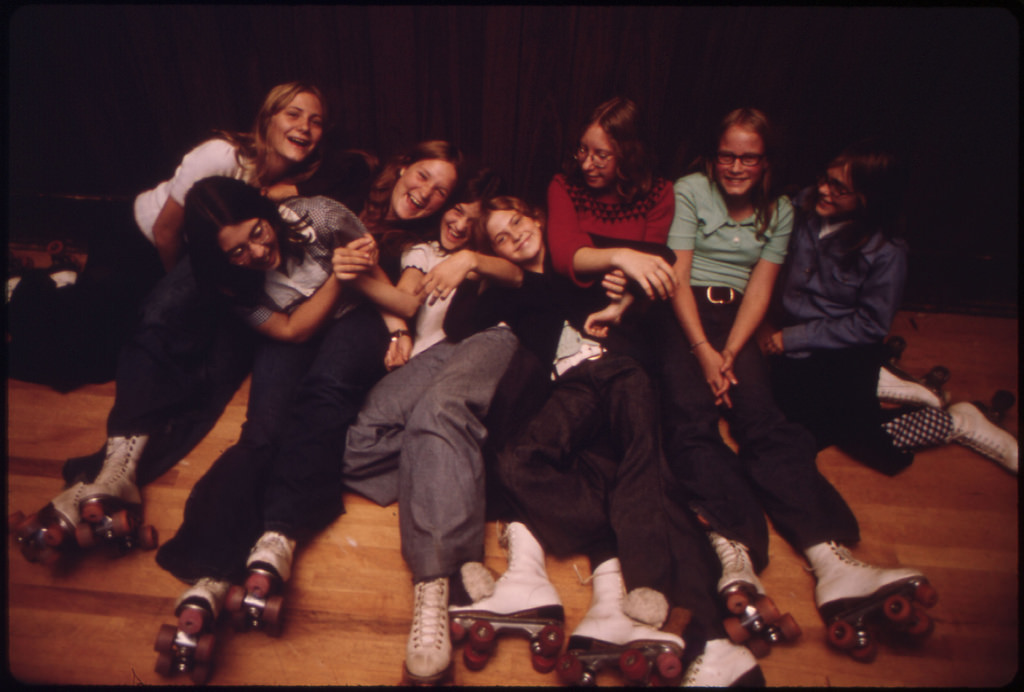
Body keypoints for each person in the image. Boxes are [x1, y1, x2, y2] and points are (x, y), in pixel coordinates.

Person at [658, 108, 937, 665]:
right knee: (689, 421)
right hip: (683, 318)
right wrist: (704, 353)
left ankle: (828, 556)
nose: (736, 166)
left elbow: (761, 287)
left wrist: (733, 352)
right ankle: (732, 547)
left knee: (763, 420)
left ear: (765, 163)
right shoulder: (688, 190)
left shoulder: (783, 207)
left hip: (741, 322)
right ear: (713, 156)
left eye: (749, 157)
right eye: (727, 154)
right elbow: (680, 277)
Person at [441, 195, 714, 686]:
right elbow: (456, 325)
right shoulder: (512, 288)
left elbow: (666, 260)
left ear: (537, 217)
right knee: (517, 462)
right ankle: (612, 531)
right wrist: (476, 264)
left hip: (621, 369)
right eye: (501, 237)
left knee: (641, 457)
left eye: (518, 222)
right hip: (570, 386)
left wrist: (623, 292)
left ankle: (648, 585)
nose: (515, 237)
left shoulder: (579, 261)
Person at [544, 97, 761, 685]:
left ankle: (722, 578)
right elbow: (568, 255)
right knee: (625, 450)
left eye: (602, 153)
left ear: (628, 154)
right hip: (588, 325)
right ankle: (693, 625)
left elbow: (658, 266)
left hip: (637, 319)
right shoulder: (565, 186)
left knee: (667, 439)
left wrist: (625, 290)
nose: (587, 162)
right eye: (583, 150)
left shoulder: (659, 191)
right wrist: (619, 258)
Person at [150, 176, 387, 682]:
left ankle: (279, 532)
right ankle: (210, 568)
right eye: (236, 251)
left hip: (356, 318)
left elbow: (372, 266)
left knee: (324, 397)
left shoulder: (318, 214)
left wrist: (397, 321)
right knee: (262, 432)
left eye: (258, 232)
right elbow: (289, 330)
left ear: (265, 211)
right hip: (294, 323)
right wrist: (335, 279)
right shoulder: (228, 283)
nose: (257, 251)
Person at [7, 81, 335, 392]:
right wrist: (179, 298)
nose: (304, 126)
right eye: (293, 114)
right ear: (267, 118)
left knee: (112, 362)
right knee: (71, 364)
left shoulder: (297, 180)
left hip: (180, 258)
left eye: (315, 121)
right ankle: (24, 286)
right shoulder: (222, 156)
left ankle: (61, 284)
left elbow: (358, 170)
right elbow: (166, 232)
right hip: (135, 242)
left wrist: (294, 188)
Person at [336, 170, 531, 684]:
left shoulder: (500, 256)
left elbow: (517, 276)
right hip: (445, 349)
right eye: (458, 211)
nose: (463, 224)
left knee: (437, 416)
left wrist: (471, 258)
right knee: (359, 442)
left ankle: (435, 582)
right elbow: (403, 298)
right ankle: (456, 472)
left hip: (494, 338)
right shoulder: (423, 253)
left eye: (476, 222)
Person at [759, 138, 1018, 476]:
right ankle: (887, 380)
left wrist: (792, 338)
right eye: (824, 178)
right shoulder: (802, 205)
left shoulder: (887, 252)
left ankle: (960, 421)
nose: (823, 189)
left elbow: (869, 324)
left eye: (839, 188)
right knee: (782, 418)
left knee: (861, 442)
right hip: (790, 340)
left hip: (841, 351)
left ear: (870, 198)